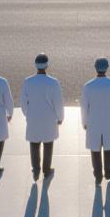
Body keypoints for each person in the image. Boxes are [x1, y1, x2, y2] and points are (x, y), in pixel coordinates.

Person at [82, 57, 110, 184]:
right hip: (109, 120)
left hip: (93, 121)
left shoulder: (88, 86)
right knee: (109, 147)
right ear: (107, 68)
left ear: (95, 68)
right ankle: (108, 171)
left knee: (95, 148)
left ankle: (97, 174)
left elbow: (84, 107)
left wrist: (84, 122)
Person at [20, 52, 64, 180]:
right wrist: (60, 118)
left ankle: (36, 169)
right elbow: (58, 103)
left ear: (35, 65)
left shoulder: (28, 81)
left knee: (34, 144)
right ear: (47, 65)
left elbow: (23, 102)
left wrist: (27, 114)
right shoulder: (53, 82)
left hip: (33, 117)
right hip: (49, 119)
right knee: (48, 144)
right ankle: (46, 169)